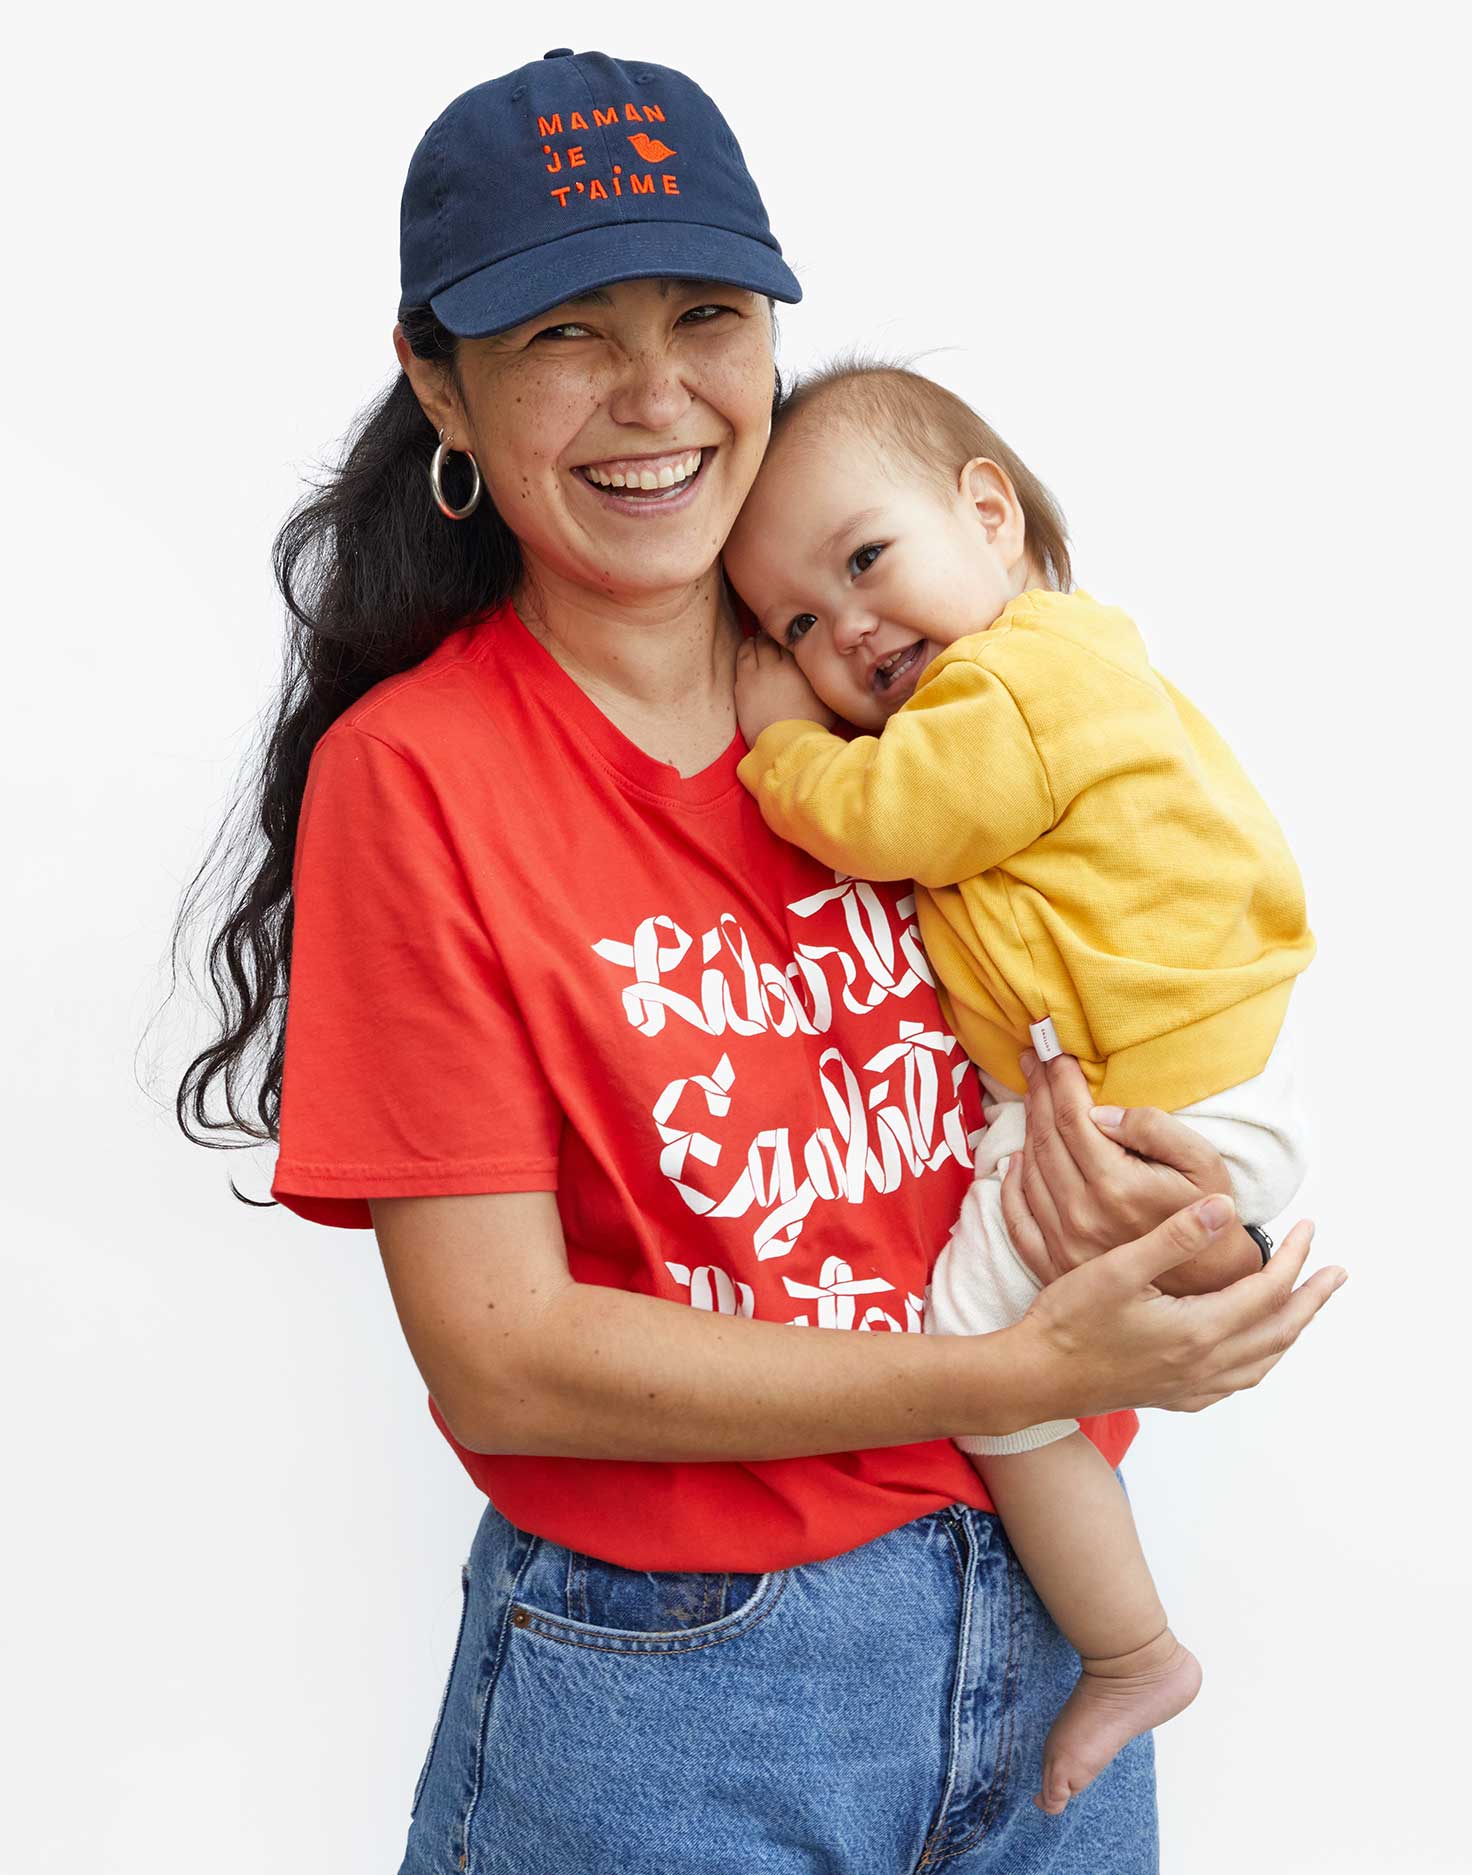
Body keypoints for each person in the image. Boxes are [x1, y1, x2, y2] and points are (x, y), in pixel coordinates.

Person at [177, 49, 1344, 1875]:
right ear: (441, 382)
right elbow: (503, 1358)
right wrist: (996, 1369)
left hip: (1046, 1641)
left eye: (706, 314)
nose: (656, 395)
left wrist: (1176, 1237)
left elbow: (1099, 1017)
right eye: (567, 331)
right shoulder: (419, 781)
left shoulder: (896, 669)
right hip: (676, 1703)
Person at [727, 361, 1316, 1813]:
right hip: (1159, 1102)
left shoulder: (1025, 678)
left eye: (864, 561)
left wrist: (781, 742)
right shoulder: (1024, 681)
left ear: (989, 515)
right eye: (796, 623)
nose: (846, 626)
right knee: (1041, 1332)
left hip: (1157, 1107)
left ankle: (1128, 1647)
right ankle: (1126, 1639)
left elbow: (890, 820)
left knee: (987, 1356)